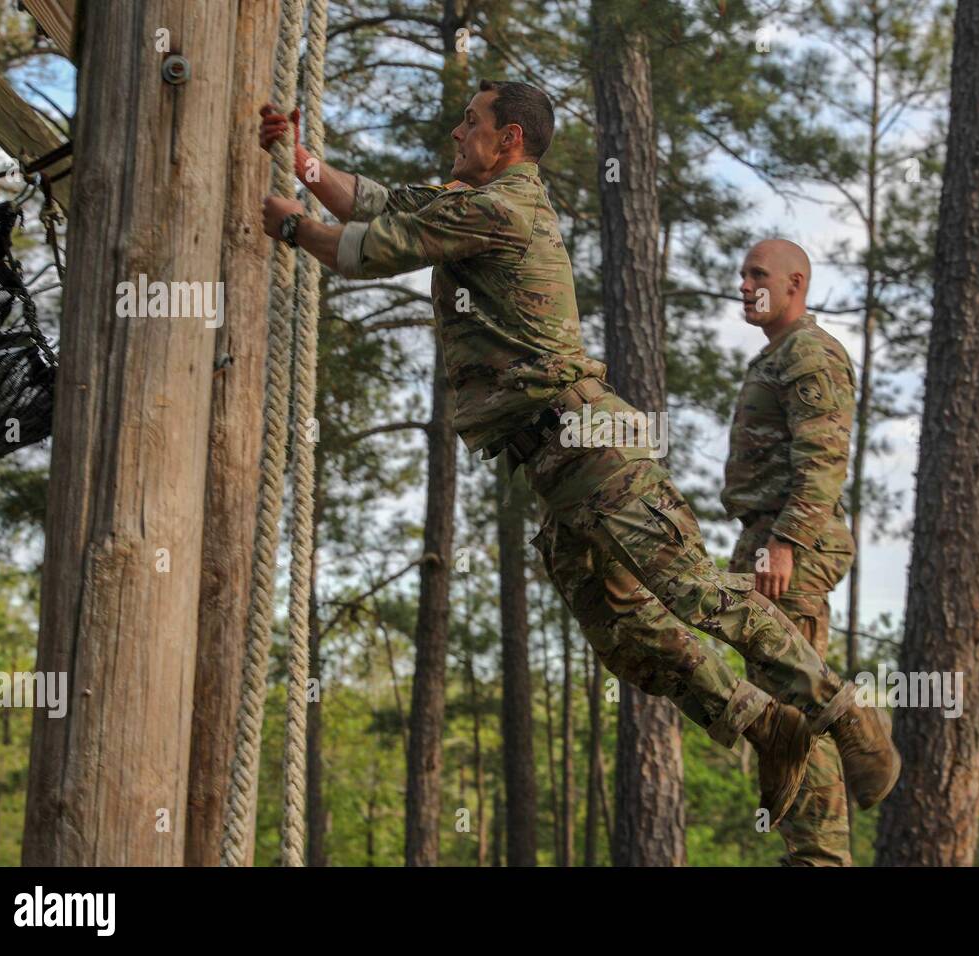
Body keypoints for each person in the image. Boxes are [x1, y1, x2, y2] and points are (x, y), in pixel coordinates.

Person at [257, 79, 899, 826]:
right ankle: (764, 724)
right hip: (556, 468)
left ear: (511, 142)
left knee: (692, 591)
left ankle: (843, 714)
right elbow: (373, 201)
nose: (458, 135)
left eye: (472, 124)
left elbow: (362, 248)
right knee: (621, 632)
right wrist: (298, 160)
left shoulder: (501, 209)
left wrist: (288, 228)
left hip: (591, 447)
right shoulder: (471, 203)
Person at [724, 238, 859, 864]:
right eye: (744, 273)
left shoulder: (809, 352)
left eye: (759, 275)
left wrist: (784, 544)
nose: (746, 284)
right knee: (781, 710)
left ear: (795, 284)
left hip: (792, 547)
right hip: (767, 540)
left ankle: (820, 857)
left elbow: (825, 459)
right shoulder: (776, 356)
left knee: (798, 709)